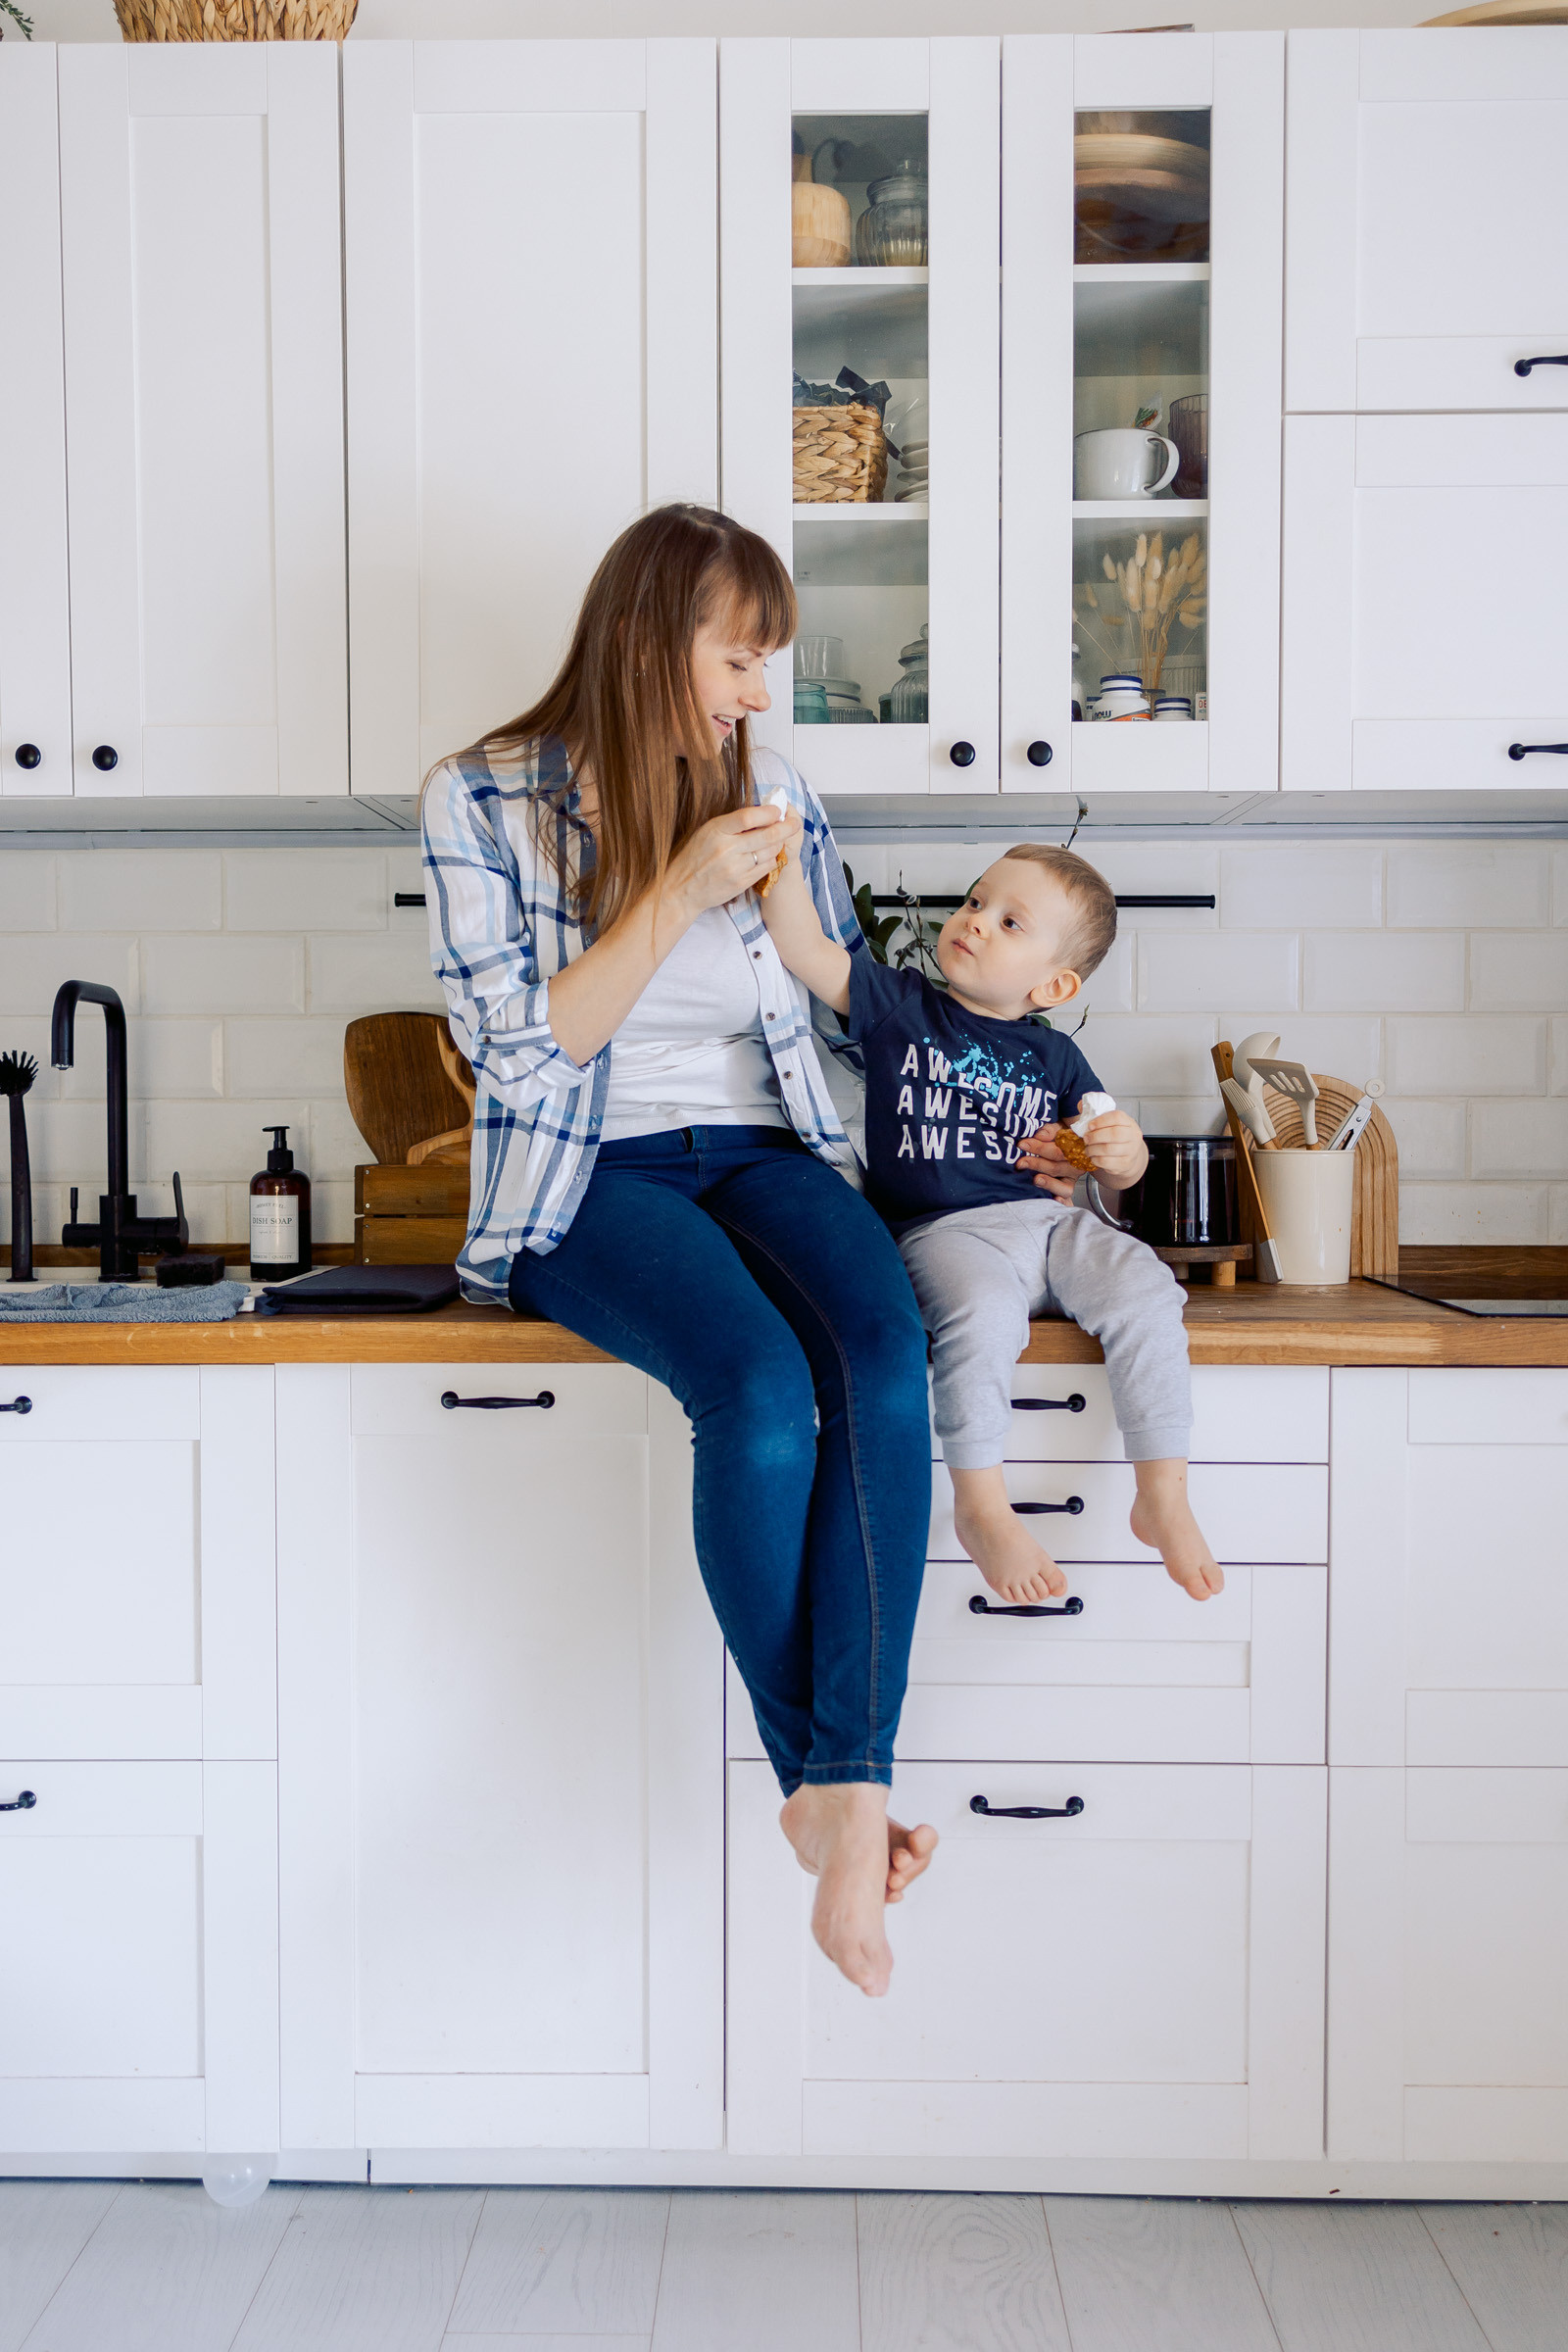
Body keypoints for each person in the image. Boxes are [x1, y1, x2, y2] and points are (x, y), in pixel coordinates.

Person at [421, 504, 937, 1998]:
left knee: (884, 1363)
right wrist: (675, 892)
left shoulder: (775, 788)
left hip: (768, 1150)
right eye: (739, 658)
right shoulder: (481, 797)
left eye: (767, 661)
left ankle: (841, 1790)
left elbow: (850, 1020)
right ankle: (826, 1779)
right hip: (585, 1171)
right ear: (653, 641)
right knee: (759, 1389)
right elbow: (520, 1059)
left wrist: (801, 927)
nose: (760, 692)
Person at [758, 833, 1224, 1606]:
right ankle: (981, 1507)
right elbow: (804, 948)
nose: (975, 920)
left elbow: (1113, 1164)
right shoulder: (899, 1005)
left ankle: (1162, 1493)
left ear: (1054, 985)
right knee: (981, 1315)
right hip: (946, 1234)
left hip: (1051, 1227)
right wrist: (774, 861)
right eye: (977, 901)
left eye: (1011, 922)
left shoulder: (1057, 1058)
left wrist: (1123, 1152)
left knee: (1147, 1288)